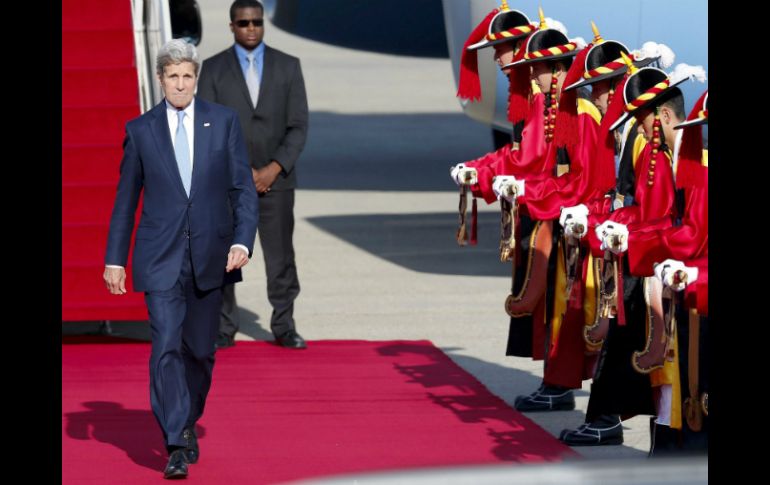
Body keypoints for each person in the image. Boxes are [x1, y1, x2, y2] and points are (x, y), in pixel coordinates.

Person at [103, 39, 259, 479]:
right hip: (160, 259)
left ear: (196, 78)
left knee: (200, 352)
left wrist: (243, 242)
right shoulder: (140, 130)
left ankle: (187, 418)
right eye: (172, 76)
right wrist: (115, 259)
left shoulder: (222, 122)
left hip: (212, 256)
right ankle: (173, 439)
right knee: (166, 345)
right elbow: (124, 201)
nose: (180, 83)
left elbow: (241, 190)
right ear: (160, 80)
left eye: (187, 75)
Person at [197, 0, 309, 350]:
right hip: (229, 184)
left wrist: (273, 169)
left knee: (280, 258)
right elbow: (208, 127)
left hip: (276, 183)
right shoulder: (213, 69)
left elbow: (298, 126)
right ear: (232, 26)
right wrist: (243, 173)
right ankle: (224, 327)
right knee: (226, 257)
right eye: (243, 23)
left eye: (256, 22)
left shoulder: (288, 67)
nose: (251, 28)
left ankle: (284, 324)